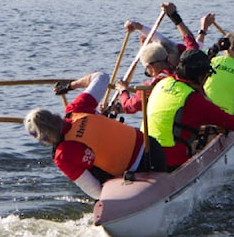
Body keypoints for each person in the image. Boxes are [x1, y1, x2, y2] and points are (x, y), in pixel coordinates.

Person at [23, 71, 165, 199]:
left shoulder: (62, 156)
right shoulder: (76, 108)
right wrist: (71, 86)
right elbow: (101, 77)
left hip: (135, 172)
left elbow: (96, 191)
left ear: (43, 139)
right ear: (54, 115)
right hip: (152, 149)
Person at [113, 2, 201, 114]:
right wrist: (174, 16)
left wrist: (123, 90)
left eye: (147, 71)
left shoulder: (153, 85)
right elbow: (191, 42)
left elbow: (130, 106)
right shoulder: (189, 68)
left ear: (152, 67)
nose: (149, 74)